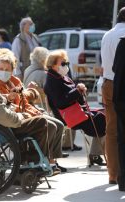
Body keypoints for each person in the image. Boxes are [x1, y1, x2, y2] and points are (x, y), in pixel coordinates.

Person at [0, 53, 67, 171]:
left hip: (25, 111)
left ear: (12, 70)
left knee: (59, 124)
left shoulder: (14, 80)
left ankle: (51, 159)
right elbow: (1, 103)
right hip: (13, 117)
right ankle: (40, 160)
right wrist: (10, 97)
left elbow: (26, 99)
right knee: (50, 126)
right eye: (1, 69)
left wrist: (28, 95)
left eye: (7, 69)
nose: (4, 72)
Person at [44, 49, 106, 166]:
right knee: (103, 120)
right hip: (68, 116)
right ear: (52, 65)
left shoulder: (61, 77)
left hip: (77, 112)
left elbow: (72, 94)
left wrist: (79, 90)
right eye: (62, 63)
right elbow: (60, 102)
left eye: (66, 63)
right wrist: (77, 91)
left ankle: (95, 153)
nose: (66, 66)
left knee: (104, 115)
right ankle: (95, 154)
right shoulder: (52, 81)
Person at [23, 47, 81, 152]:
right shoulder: (44, 74)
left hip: (32, 103)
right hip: (44, 106)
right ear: (43, 60)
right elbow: (51, 94)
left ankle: (64, 146)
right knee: (66, 109)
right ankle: (66, 144)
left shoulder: (27, 70)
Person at [101, 7, 125, 185]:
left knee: (111, 130)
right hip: (121, 84)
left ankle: (113, 174)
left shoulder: (107, 34)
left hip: (108, 83)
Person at [113, 36, 125, 192]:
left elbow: (116, 69)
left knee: (122, 140)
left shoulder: (122, 44)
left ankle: (123, 181)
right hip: (122, 99)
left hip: (122, 98)